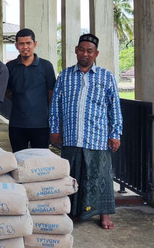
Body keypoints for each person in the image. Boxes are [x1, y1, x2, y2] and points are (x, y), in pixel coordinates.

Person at [49, 33, 123, 229]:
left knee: (101, 177)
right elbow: (56, 104)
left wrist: (115, 134)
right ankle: (74, 212)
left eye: (90, 51)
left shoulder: (106, 76)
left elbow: (114, 106)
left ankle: (104, 215)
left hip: (97, 136)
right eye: (81, 49)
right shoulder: (65, 75)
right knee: (73, 176)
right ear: (76, 50)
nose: (85, 54)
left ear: (96, 53)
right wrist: (55, 129)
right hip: (72, 137)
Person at [6, 28, 56, 152]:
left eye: (28, 43)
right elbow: (7, 91)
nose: (25, 47)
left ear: (35, 44)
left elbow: (51, 93)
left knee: (40, 162)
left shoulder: (46, 66)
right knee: (18, 160)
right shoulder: (10, 67)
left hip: (40, 125)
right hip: (17, 124)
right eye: (21, 43)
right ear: (16, 46)